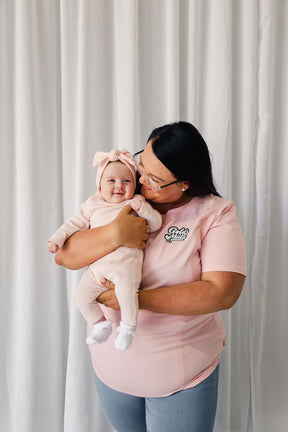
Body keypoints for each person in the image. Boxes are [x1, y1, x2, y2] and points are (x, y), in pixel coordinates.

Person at [55, 122, 247, 432]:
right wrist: (114, 233)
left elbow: (222, 293)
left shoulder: (214, 213)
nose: (140, 180)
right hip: (112, 372)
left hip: (182, 378)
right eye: (141, 165)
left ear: (185, 183)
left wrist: (131, 300)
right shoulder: (121, 196)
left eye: (154, 179)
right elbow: (64, 255)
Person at [47, 149, 162, 350]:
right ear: (99, 185)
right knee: (81, 298)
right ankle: (100, 324)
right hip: (97, 269)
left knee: (127, 295)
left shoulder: (136, 203)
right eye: (111, 181)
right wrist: (57, 238)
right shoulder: (93, 204)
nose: (119, 186)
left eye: (126, 181)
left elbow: (156, 223)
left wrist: (143, 210)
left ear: (134, 185)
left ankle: (128, 329)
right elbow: (73, 223)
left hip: (125, 266)